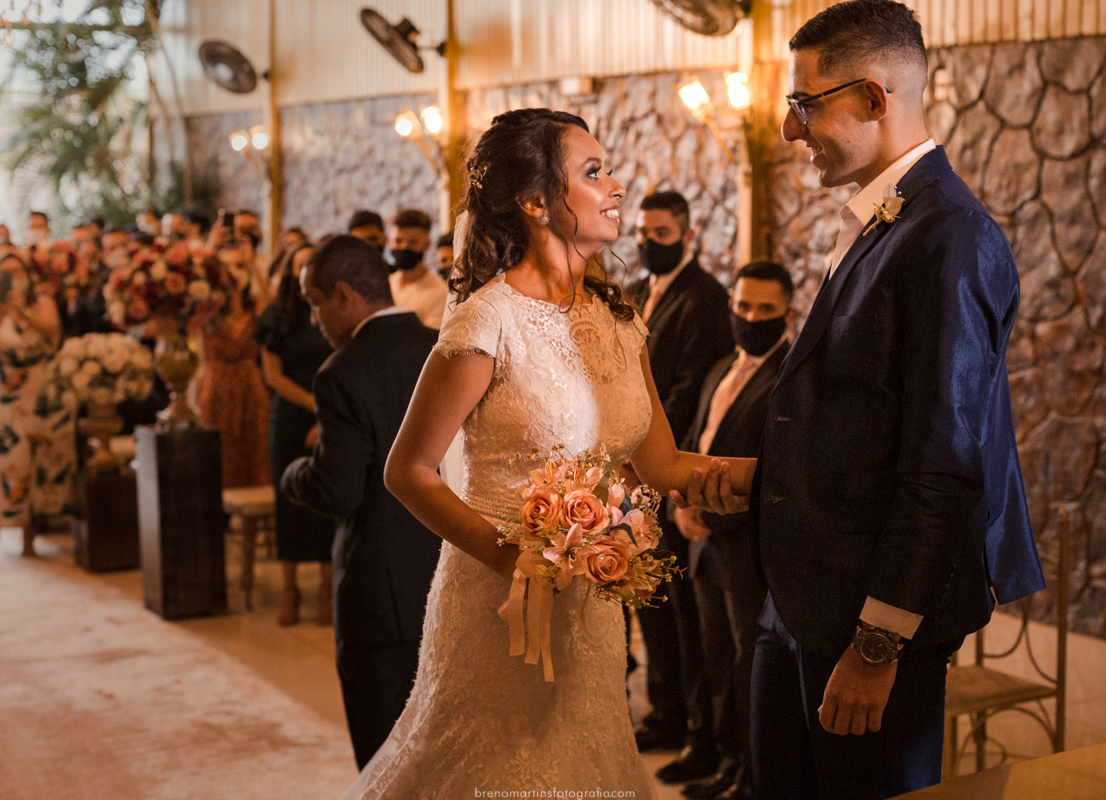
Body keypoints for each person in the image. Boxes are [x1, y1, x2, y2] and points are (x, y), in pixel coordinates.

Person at [678, 3, 1047, 796]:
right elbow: (858, 417)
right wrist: (760, 474)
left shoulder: (950, 236)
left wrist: (879, 645)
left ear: (876, 98)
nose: (787, 129)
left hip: (869, 618)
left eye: (805, 104)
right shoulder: (887, 220)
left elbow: (945, 463)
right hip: (804, 598)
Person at [340, 108, 759, 800]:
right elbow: (407, 470)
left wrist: (786, 475)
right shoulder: (488, 321)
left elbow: (663, 467)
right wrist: (516, 556)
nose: (616, 185)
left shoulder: (619, 315)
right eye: (593, 172)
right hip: (498, 599)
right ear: (536, 202)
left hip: (591, 606)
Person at [281, 235, 442, 767]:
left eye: (314, 302)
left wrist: (294, 475)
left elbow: (339, 489)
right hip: (447, 571)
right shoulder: (441, 348)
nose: (313, 320)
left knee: (384, 754)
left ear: (345, 294)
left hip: (379, 587)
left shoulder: (342, 372)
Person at [672, 262, 795, 800]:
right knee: (712, 655)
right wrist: (681, 500)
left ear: (788, 313)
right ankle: (722, 756)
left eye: (765, 310)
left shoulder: (793, 377)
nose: (751, 318)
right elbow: (699, 440)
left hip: (751, 548)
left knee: (753, 666)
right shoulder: (722, 364)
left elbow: (784, 471)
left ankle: (754, 772)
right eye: (743, 307)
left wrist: (715, 511)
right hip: (703, 541)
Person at [625, 190, 734, 784]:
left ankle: (698, 724)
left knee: (687, 609)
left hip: (669, 468)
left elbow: (690, 389)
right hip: (635, 471)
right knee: (653, 602)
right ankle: (664, 709)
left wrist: (646, 454)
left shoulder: (707, 299)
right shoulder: (639, 292)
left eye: (662, 234)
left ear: (687, 237)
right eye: (643, 232)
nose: (649, 242)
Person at [255, 240, 336, 627]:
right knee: (287, 501)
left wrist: (326, 417)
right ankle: (290, 588)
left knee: (326, 500)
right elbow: (272, 375)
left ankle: (325, 588)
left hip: (331, 414)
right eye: (298, 267)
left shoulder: (332, 313)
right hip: (289, 416)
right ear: (289, 273)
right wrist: (313, 406)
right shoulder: (276, 314)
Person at [0, 249, 74, 555]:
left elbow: (52, 330)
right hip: (8, 399)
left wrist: (24, 311)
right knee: (15, 463)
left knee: (48, 459)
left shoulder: (41, 301)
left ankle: (51, 523)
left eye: (18, 271)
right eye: (5, 274)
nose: (13, 279)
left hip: (46, 394)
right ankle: (24, 533)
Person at [197, 236, 271, 489]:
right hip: (217, 387)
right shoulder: (207, 314)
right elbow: (193, 282)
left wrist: (250, 264)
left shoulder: (256, 310)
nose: (233, 278)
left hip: (250, 386)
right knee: (220, 454)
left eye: (237, 271)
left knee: (255, 450)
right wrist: (212, 245)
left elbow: (271, 304)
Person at [387, 208, 447, 330]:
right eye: (398, 241)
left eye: (412, 242)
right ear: (390, 242)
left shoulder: (440, 293)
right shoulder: (387, 283)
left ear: (427, 245)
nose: (404, 247)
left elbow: (429, 342)